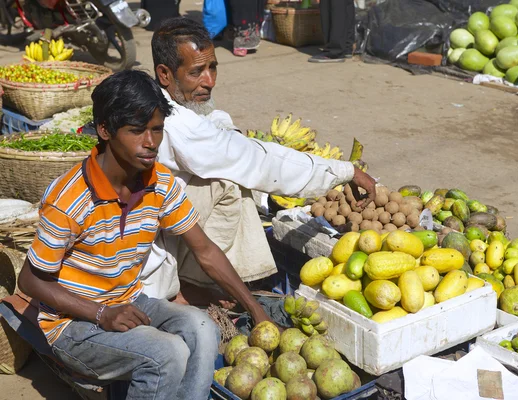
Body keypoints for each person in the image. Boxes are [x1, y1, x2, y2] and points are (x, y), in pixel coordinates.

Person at [17, 70, 272, 399]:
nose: (150, 143)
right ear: (105, 130)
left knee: (203, 329)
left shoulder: (160, 183)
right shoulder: (69, 198)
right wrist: (101, 313)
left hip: (128, 300)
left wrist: (256, 310)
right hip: (71, 324)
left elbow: (205, 250)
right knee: (167, 353)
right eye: (137, 131)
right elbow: (30, 281)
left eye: (157, 130)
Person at [141, 17, 376, 306]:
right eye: (197, 72)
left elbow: (216, 129)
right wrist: (344, 171)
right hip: (147, 263)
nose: (210, 81)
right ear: (165, 74)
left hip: (158, 229)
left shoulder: (159, 101)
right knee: (230, 181)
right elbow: (258, 162)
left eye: (212, 67)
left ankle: (203, 281)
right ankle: (195, 286)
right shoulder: (177, 126)